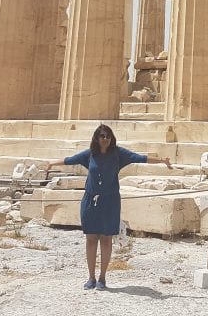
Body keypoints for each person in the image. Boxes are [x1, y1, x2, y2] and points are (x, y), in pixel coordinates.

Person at [44, 123, 172, 290]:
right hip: (91, 202)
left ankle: (102, 278)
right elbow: (70, 160)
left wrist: (162, 161)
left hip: (110, 202)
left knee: (106, 239)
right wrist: (52, 163)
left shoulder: (118, 154)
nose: (105, 139)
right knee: (91, 239)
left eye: (108, 136)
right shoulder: (89, 154)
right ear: (97, 139)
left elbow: (139, 158)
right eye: (102, 136)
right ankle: (90, 277)